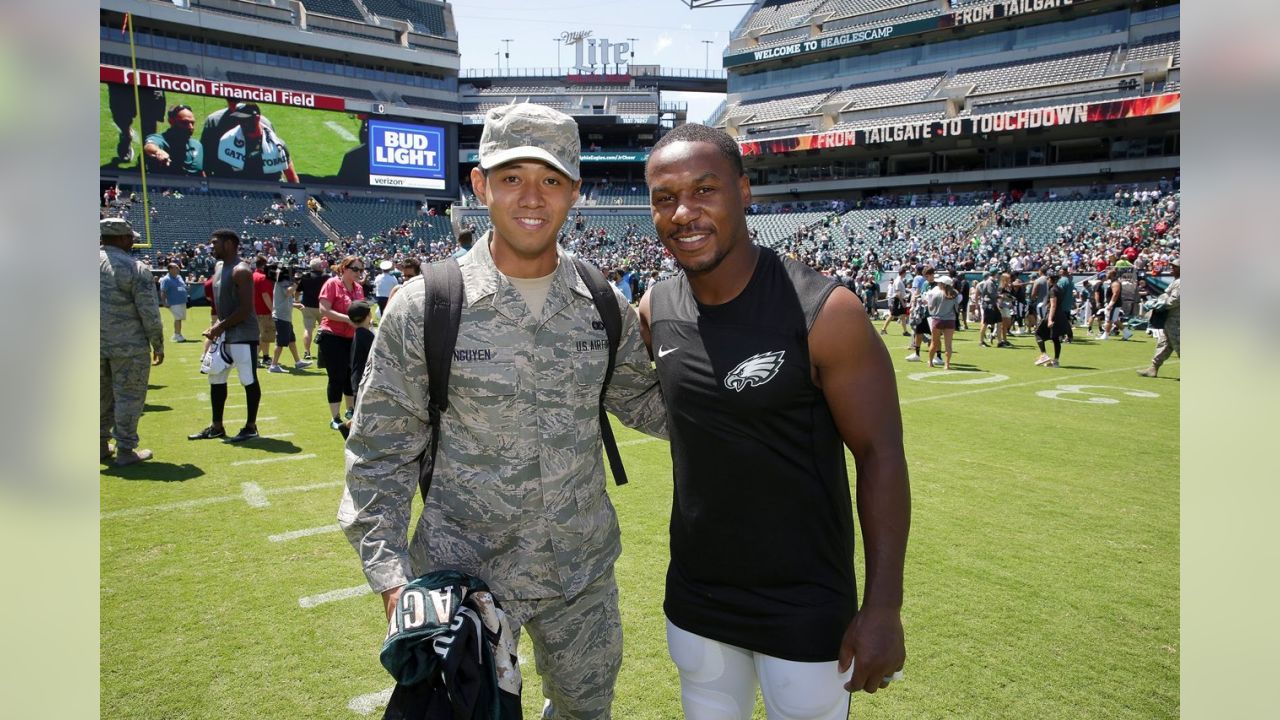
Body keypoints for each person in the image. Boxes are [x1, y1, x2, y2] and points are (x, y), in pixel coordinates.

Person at [338, 102, 667, 719]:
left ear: (575, 191)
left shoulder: (601, 300)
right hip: (469, 581)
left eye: (550, 180)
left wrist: (748, 398)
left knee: (586, 711)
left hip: (581, 571)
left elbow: (642, 401)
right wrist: (390, 579)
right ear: (480, 185)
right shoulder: (426, 305)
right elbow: (379, 454)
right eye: (511, 177)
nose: (532, 198)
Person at [640, 123, 908, 720]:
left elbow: (881, 455)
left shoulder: (826, 311)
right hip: (696, 596)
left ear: (744, 191)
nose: (685, 211)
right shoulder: (656, 309)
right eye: (665, 198)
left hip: (804, 603)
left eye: (705, 190)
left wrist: (883, 606)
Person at [100, 218, 164, 466]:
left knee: (98, 396)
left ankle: (99, 445)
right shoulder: (134, 268)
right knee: (128, 397)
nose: (132, 241)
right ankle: (125, 450)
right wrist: (157, 344)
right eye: (130, 237)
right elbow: (149, 313)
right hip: (128, 346)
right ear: (122, 238)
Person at [188, 229, 262, 443]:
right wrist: (219, 328)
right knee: (216, 377)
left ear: (229, 244)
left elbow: (246, 308)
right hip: (224, 332)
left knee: (248, 378)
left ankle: (251, 426)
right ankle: (217, 425)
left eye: (215, 243)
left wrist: (218, 327)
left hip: (242, 333)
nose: (212, 247)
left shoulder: (241, 270)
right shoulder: (219, 266)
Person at [317, 255, 366, 430]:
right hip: (332, 335)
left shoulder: (359, 288)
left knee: (351, 377)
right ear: (344, 268)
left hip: (352, 337)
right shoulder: (331, 284)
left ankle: (350, 411)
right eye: (355, 269)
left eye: (361, 269)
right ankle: (335, 417)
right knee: (336, 377)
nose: (359, 273)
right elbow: (324, 310)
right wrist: (347, 319)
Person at [202, 102, 299, 183]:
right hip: (240, 194)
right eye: (239, 120)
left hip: (271, 193)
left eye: (245, 120)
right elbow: (220, 175)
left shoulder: (278, 145)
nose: (241, 123)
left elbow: (292, 178)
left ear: (256, 118)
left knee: (312, 205)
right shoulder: (227, 142)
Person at [334, 299, 376, 439]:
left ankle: (346, 427)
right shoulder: (367, 335)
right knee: (368, 417)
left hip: (358, 381)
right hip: (365, 382)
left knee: (362, 414)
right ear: (369, 315)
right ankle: (352, 434)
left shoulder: (360, 334)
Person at [1138, 259, 1180, 377]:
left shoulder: (1181, 282)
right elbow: (1167, 295)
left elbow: (1175, 300)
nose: (1172, 268)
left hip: (1177, 319)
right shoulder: (1176, 281)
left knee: (1179, 343)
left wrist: (1162, 304)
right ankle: (1153, 368)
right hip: (1170, 318)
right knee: (1164, 343)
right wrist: (1158, 301)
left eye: (1175, 267)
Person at [267, 266, 312, 373]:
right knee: (281, 342)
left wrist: (296, 305)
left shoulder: (284, 281)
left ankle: (298, 362)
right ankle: (273, 365)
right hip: (281, 317)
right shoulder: (282, 282)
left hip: (285, 316)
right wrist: (297, 281)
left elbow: (285, 299)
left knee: (291, 340)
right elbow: (288, 292)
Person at [143, 104, 203, 176]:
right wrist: (158, 152)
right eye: (184, 123)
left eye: (192, 123)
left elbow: (202, 173)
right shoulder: (161, 139)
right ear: (171, 122)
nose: (191, 127)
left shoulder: (197, 145)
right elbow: (149, 146)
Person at [1034, 267, 1072, 368]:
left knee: (1037, 333)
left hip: (1053, 315)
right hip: (1060, 315)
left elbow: (1053, 305)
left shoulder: (1053, 290)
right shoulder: (1059, 289)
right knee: (1055, 338)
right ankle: (1056, 361)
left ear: (1050, 279)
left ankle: (1044, 354)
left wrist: (1050, 319)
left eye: (1047, 279)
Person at [296, 258, 328, 360]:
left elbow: (297, 291)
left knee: (308, 329)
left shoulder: (306, 276)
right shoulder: (326, 277)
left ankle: (307, 352)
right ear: (319, 267)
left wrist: (296, 300)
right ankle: (323, 352)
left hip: (307, 306)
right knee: (325, 329)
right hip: (322, 306)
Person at [925, 275, 959, 369]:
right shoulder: (954, 294)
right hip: (950, 320)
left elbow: (931, 307)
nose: (938, 284)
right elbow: (956, 308)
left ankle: (931, 362)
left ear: (943, 284)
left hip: (938, 319)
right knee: (948, 344)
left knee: (934, 342)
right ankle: (947, 364)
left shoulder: (936, 294)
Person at [252, 256, 276, 367]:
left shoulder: (251, 276)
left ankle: (266, 357)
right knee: (263, 335)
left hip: (253, 311)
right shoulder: (263, 278)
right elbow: (265, 295)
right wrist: (272, 310)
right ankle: (255, 358)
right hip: (263, 311)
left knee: (263, 335)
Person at [159, 262, 189, 343]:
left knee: (180, 318)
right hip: (174, 302)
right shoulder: (166, 279)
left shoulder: (179, 277)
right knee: (178, 318)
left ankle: (176, 334)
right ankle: (178, 335)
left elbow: (183, 286)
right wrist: (164, 302)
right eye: (176, 267)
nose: (178, 268)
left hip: (182, 301)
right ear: (170, 269)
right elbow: (163, 291)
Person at [879, 266, 909, 336]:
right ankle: (883, 329)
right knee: (892, 315)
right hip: (898, 300)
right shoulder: (898, 281)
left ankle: (905, 331)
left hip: (900, 300)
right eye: (905, 273)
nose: (906, 274)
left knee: (903, 316)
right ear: (903, 273)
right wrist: (902, 302)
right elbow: (898, 293)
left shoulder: (900, 280)